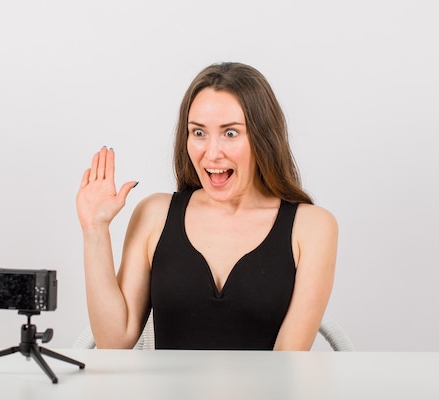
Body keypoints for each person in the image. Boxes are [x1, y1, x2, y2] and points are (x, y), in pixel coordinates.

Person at [76, 62, 338, 350]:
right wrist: (95, 230)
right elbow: (113, 342)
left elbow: (288, 364)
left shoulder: (312, 227)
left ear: (263, 138)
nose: (212, 154)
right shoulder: (154, 214)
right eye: (198, 133)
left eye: (231, 133)